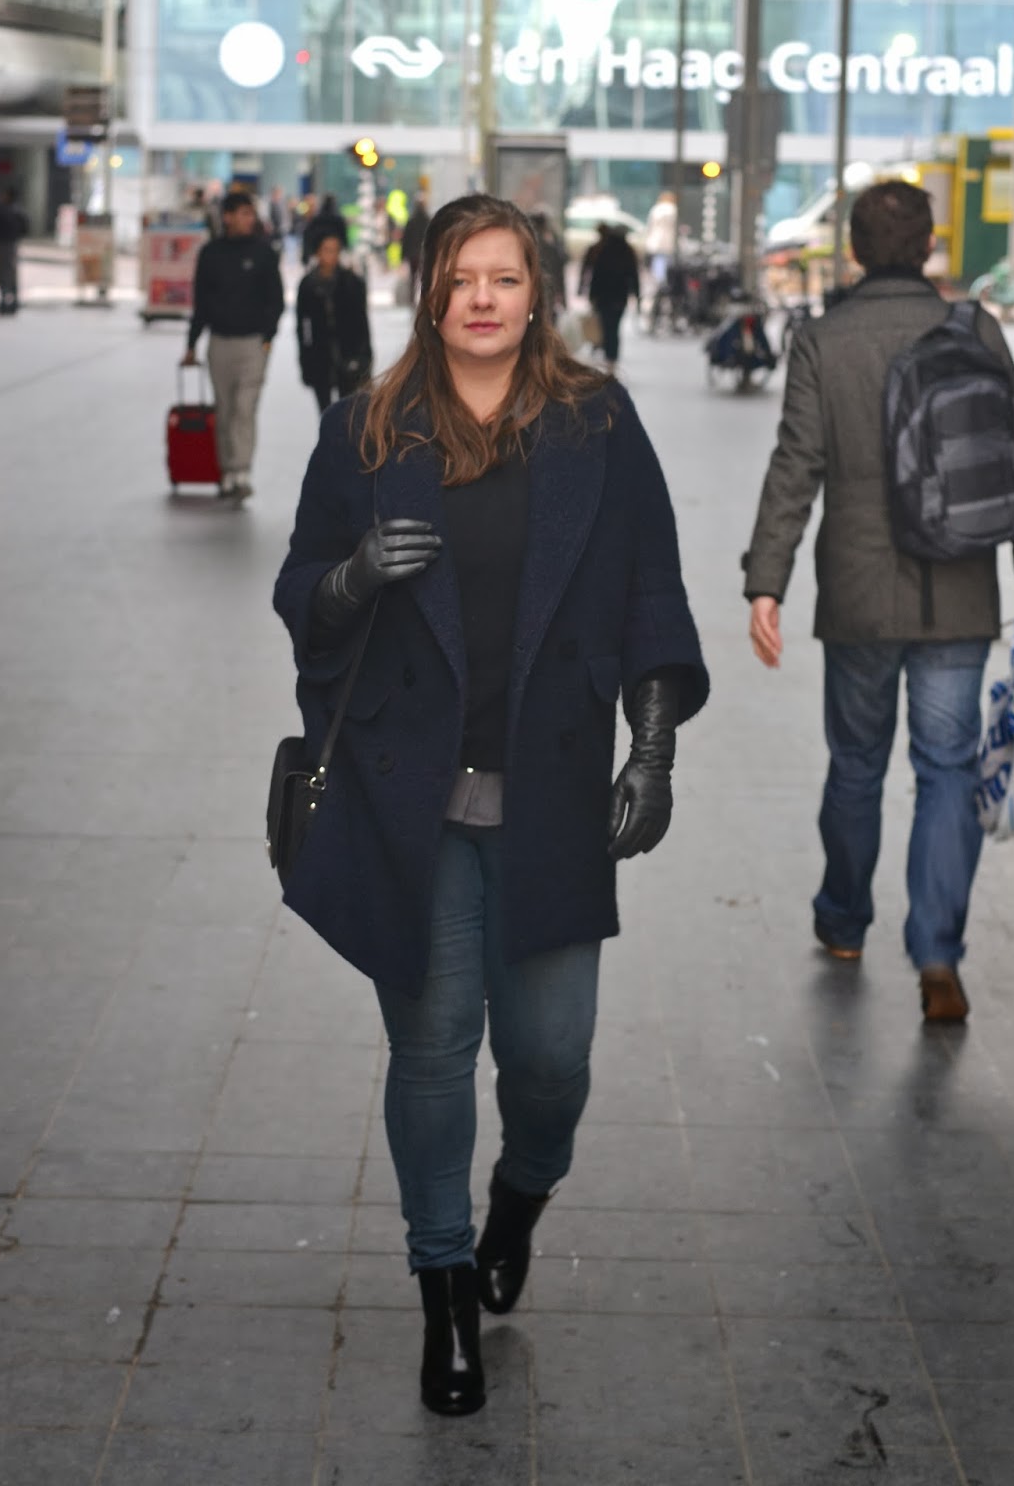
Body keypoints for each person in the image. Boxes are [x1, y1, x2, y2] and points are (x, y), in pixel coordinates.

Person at [273, 194, 708, 1417]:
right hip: (405, 798)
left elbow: (651, 586)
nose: (481, 298)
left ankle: (520, 1194)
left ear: (535, 294)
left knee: (551, 1060)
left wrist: (653, 746)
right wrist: (354, 577)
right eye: (460, 277)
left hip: (551, 795)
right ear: (428, 290)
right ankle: (445, 1285)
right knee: (431, 1055)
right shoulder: (367, 427)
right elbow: (300, 585)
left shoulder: (596, 421)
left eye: (504, 278)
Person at [743, 179, 1014, 1024]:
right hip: (960, 591)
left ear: (855, 252)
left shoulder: (823, 340)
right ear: (930, 246)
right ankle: (937, 952)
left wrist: (767, 581)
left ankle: (843, 920)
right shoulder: (975, 330)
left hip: (860, 593)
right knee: (947, 767)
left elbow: (796, 464)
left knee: (857, 762)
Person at [182, 189, 284, 501]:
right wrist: (192, 344)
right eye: (243, 214)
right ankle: (226, 471)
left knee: (245, 408)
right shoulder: (211, 254)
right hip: (219, 343)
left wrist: (267, 337)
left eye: (251, 214)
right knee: (224, 409)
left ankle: (242, 471)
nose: (250, 219)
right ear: (227, 217)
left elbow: (276, 298)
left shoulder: (264, 253)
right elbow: (200, 303)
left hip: (253, 344)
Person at [296, 233, 372, 411]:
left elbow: (361, 321)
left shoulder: (351, 282)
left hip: (348, 353)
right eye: (327, 250)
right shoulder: (308, 285)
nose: (331, 255)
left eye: (335, 250)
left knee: (347, 411)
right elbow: (302, 326)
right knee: (325, 411)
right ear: (317, 252)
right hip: (319, 355)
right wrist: (305, 358)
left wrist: (364, 356)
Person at [588, 223, 641, 374]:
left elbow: (597, 275)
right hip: (620, 297)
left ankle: (609, 356)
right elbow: (634, 275)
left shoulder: (604, 251)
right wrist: (636, 294)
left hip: (604, 297)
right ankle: (612, 358)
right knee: (615, 327)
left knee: (607, 327)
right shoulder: (628, 251)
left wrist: (592, 295)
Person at [0, 190, 29, 316]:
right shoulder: (18, 211)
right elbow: (25, 227)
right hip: (12, 244)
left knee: (3, 273)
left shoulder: (0, 210)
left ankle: (4, 302)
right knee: (12, 272)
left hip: (3, 244)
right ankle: (13, 301)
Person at [530, 209, 567, 320]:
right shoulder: (550, 247)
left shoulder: (525, 247)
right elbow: (558, 274)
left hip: (535, 293)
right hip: (546, 293)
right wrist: (564, 299)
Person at [302, 193, 349, 264]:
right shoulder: (338, 219)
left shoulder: (316, 219)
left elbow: (308, 236)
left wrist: (306, 255)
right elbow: (344, 236)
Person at [644, 190, 678, 283]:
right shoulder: (673, 209)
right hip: (668, 239)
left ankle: (659, 280)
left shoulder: (656, 209)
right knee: (666, 261)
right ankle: (665, 280)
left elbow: (650, 226)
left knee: (659, 260)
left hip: (657, 239)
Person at [401, 192, 430, 298]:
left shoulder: (411, 220)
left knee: (413, 278)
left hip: (413, 254)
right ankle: (425, 297)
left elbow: (406, 239)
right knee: (425, 277)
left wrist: (403, 255)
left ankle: (412, 297)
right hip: (424, 254)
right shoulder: (428, 220)